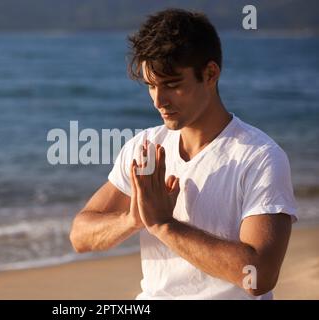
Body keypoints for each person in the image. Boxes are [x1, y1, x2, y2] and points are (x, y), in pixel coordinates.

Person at [69, 8, 298, 299]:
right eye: (151, 85)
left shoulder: (260, 157)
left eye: (172, 85)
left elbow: (259, 276)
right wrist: (134, 219)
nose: (159, 101)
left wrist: (165, 225)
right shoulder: (145, 147)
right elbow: (80, 236)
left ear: (210, 74)